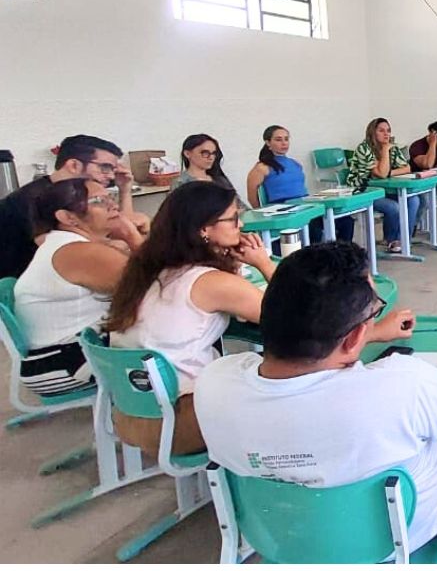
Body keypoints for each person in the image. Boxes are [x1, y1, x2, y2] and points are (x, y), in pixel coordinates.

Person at [194, 241, 437, 554]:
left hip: (277, 535)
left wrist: (366, 334)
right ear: (353, 338)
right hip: (403, 534)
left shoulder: (213, 382)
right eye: (373, 312)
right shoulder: (402, 384)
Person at [105, 181, 276, 456]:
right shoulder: (210, 282)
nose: (241, 225)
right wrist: (264, 263)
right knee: (284, 376)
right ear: (204, 229)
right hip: (178, 422)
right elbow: (293, 314)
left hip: (131, 413)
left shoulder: (149, 269)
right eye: (233, 219)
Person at [14, 179, 144, 397]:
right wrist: (133, 237)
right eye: (98, 201)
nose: (113, 205)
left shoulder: (66, 244)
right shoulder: (76, 251)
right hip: (62, 363)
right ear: (67, 217)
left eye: (110, 197)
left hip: (60, 353)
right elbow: (156, 284)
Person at [0, 134, 148, 279]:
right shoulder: (37, 199)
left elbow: (119, 226)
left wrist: (125, 190)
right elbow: (86, 249)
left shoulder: (74, 194)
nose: (110, 176)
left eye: (113, 170)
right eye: (105, 167)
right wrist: (129, 239)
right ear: (74, 165)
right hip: (25, 280)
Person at [245, 125, 352, 242]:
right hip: (283, 209)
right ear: (268, 143)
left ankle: (343, 256)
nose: (284, 143)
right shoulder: (262, 167)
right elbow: (252, 196)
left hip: (304, 205)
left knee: (346, 221)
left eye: (286, 139)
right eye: (278, 140)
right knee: (312, 228)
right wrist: (265, 217)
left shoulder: (295, 164)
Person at [347, 118, 421, 254]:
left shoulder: (393, 147)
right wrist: (386, 151)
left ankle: (403, 240)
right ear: (372, 132)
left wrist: (390, 172)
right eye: (381, 131)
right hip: (363, 192)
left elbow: (407, 168)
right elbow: (380, 173)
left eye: (388, 131)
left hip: (384, 189)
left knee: (413, 200)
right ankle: (391, 240)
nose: (386, 134)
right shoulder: (364, 148)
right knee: (393, 207)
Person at [174, 133, 249, 208]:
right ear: (187, 154)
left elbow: (241, 206)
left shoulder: (220, 180)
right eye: (205, 153)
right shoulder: (181, 183)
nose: (211, 157)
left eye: (213, 153)